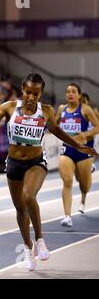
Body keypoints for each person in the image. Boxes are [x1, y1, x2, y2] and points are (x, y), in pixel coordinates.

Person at [0, 73, 97, 271]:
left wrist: (78, 146)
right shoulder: (9, 107)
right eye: (28, 92)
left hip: (36, 162)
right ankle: (27, 248)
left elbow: (58, 131)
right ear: (22, 91)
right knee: (20, 209)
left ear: (40, 93)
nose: (31, 97)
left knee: (28, 196)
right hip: (14, 163)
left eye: (36, 93)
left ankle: (40, 239)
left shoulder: (47, 111)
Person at [55, 84, 99, 227]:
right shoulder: (62, 109)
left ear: (79, 95)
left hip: (83, 150)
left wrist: (85, 134)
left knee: (84, 185)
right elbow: (53, 125)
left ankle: (83, 198)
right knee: (67, 180)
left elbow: (98, 126)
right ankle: (67, 216)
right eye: (67, 92)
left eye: (73, 92)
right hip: (67, 149)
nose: (70, 94)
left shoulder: (85, 109)